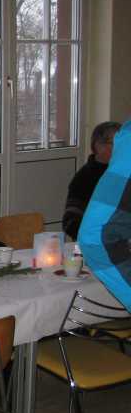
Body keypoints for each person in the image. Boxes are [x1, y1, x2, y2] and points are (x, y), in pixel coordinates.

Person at [79, 119, 131, 311]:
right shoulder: (86, 176)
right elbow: (72, 219)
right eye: (111, 142)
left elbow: (95, 236)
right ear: (98, 146)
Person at [62, 121, 121, 240]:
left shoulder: (124, 172)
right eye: (116, 143)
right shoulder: (84, 178)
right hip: (98, 241)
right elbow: (70, 223)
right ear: (99, 146)